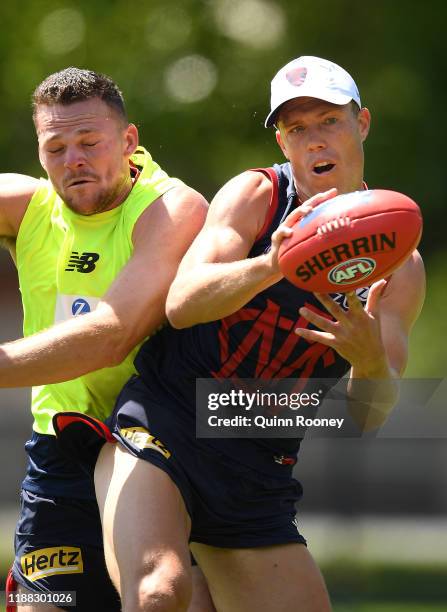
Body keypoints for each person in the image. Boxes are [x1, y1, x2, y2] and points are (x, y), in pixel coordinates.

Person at [70, 56, 425, 611]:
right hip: (168, 423)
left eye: (329, 121)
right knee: (161, 593)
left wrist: (368, 357)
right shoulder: (259, 197)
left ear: (363, 124)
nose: (315, 141)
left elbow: (368, 413)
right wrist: (273, 265)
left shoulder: (399, 261)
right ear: (283, 143)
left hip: (260, 464)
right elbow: (184, 305)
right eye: (297, 129)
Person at [0, 67, 214, 611]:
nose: (73, 159)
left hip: (154, 443)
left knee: (161, 596)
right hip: (58, 446)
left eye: (90, 142)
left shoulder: (173, 210)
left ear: (129, 141)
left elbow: (111, 335)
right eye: (56, 147)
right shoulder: (27, 207)